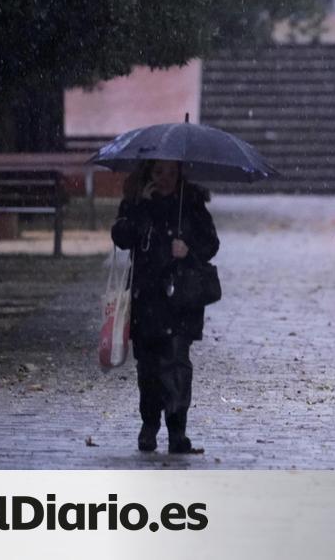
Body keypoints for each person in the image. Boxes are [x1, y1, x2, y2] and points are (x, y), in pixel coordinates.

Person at [111, 160, 219, 454]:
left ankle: (177, 431)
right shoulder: (136, 202)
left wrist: (188, 249)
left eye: (172, 173)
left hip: (181, 295)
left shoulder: (192, 202)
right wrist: (138, 209)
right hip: (146, 294)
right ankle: (149, 424)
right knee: (147, 366)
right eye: (159, 172)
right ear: (148, 174)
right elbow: (120, 238)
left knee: (176, 362)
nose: (165, 179)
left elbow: (211, 243)